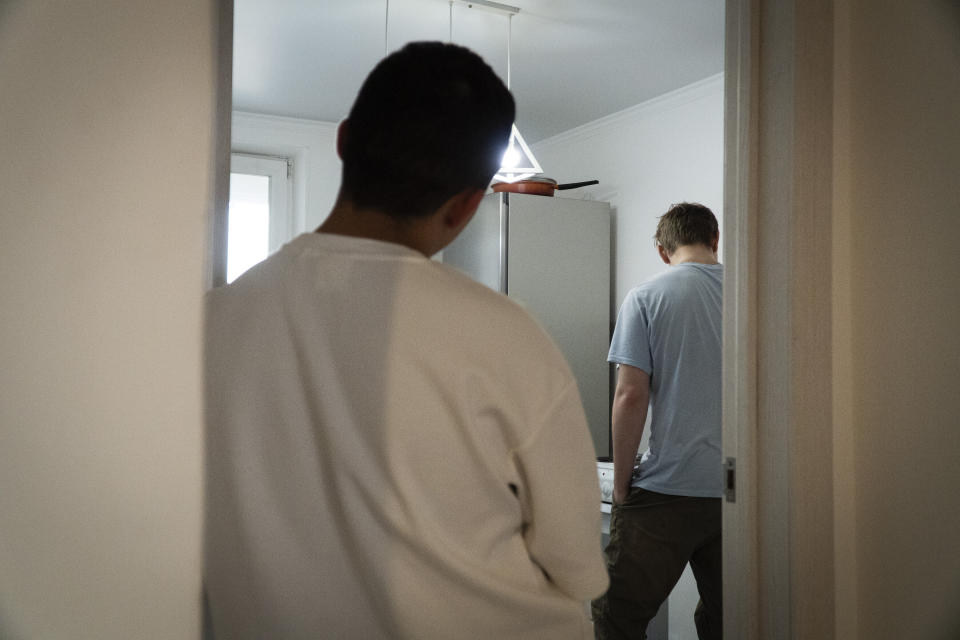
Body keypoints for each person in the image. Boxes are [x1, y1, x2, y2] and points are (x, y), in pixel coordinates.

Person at [204, 42, 608, 640]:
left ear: (343, 141)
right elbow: (577, 563)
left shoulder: (212, 323)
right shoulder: (507, 334)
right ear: (470, 203)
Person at [591, 203, 724, 640]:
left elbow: (631, 395)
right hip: (741, 492)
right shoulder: (754, 295)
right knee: (732, 618)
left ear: (663, 251)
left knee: (617, 618)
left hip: (668, 490)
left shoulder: (647, 296)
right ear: (714, 240)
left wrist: (624, 482)